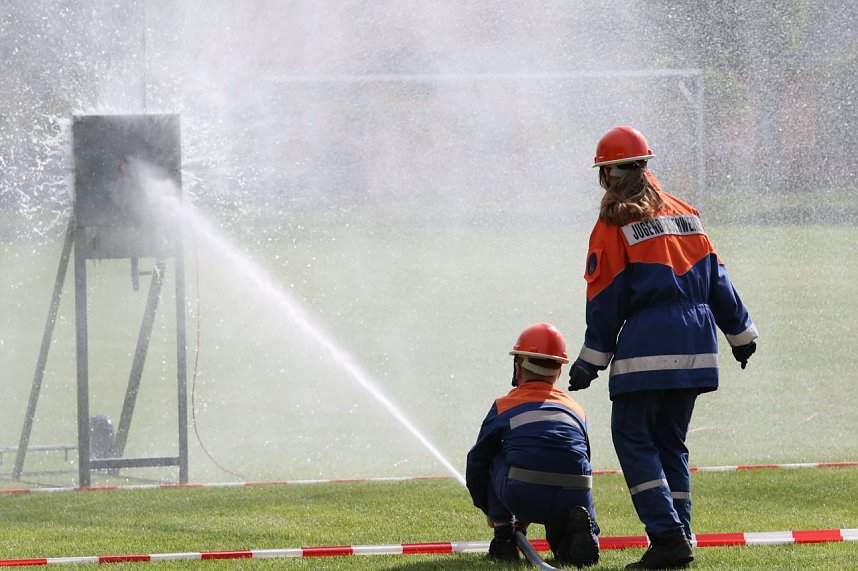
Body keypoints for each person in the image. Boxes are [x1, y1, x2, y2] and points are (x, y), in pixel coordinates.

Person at [567, 125, 758, 570]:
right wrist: (741, 336)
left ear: (610, 174)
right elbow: (718, 282)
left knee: (633, 438)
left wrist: (590, 361)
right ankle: (682, 536)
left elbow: (606, 296)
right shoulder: (686, 213)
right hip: (697, 343)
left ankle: (668, 536)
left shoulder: (615, 221)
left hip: (648, 346)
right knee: (671, 443)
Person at [466, 322, 600, 568]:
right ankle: (573, 539)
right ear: (559, 371)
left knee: (493, 453)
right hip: (576, 496)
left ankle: (504, 539)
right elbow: (582, 458)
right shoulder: (576, 409)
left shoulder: (503, 406)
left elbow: (476, 462)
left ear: (518, 365)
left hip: (524, 495)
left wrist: (489, 510)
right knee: (571, 469)